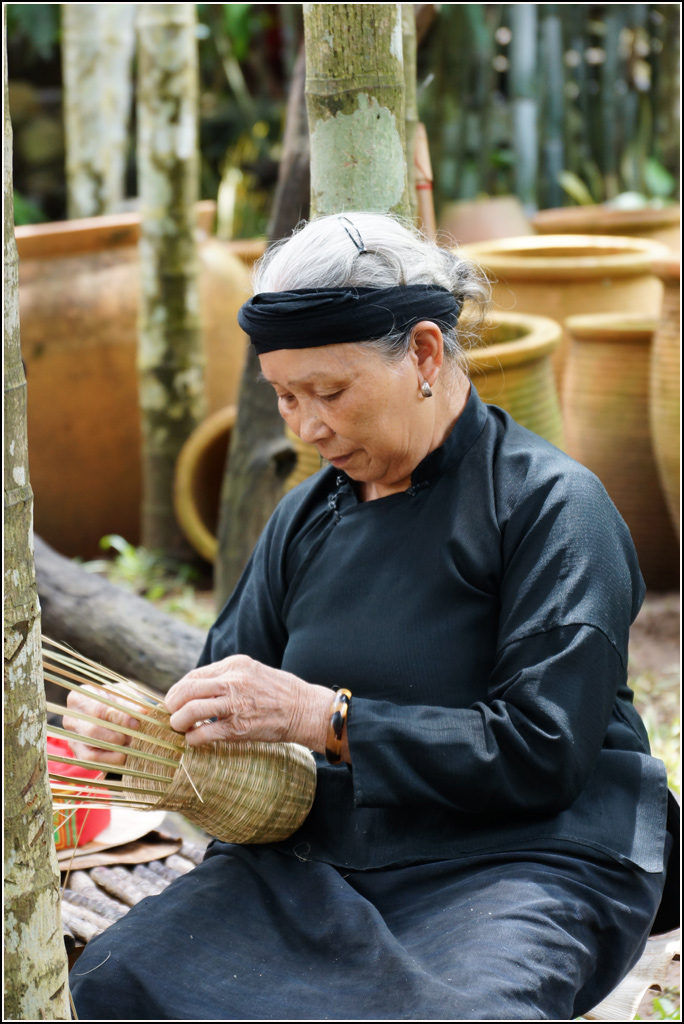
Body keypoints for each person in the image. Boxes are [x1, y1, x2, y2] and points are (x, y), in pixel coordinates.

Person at [67, 212, 673, 1022]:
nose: (308, 426)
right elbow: (225, 701)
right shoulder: (306, 518)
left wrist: (327, 718)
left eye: (331, 392)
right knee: (117, 981)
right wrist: (148, 733)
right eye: (284, 396)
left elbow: (543, 752)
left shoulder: (551, 507)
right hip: (321, 853)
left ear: (424, 353)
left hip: (523, 856)